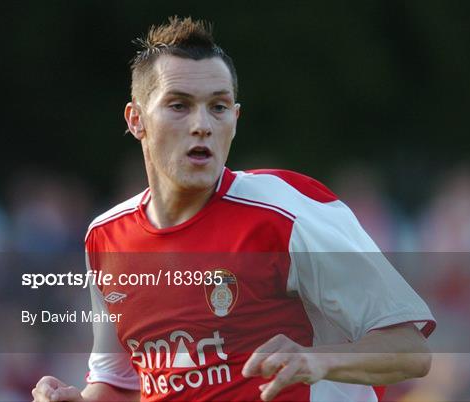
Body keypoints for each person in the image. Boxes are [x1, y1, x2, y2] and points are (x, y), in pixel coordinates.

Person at [32, 17, 435, 402]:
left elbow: (409, 349)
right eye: (179, 105)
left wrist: (316, 359)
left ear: (236, 118)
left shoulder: (285, 209)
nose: (202, 124)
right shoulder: (106, 237)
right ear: (136, 120)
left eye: (218, 107)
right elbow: (121, 384)